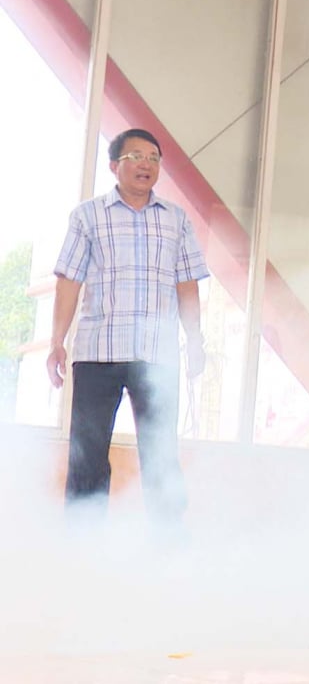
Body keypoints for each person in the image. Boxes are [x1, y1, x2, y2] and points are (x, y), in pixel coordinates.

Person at [47, 128, 208, 531]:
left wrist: (195, 341)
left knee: (160, 451)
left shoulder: (176, 219)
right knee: (88, 451)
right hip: (98, 351)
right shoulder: (87, 215)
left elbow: (186, 283)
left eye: (154, 158)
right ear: (114, 166)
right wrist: (56, 342)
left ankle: (169, 541)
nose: (146, 165)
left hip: (157, 355)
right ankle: (82, 541)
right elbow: (69, 280)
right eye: (136, 156)